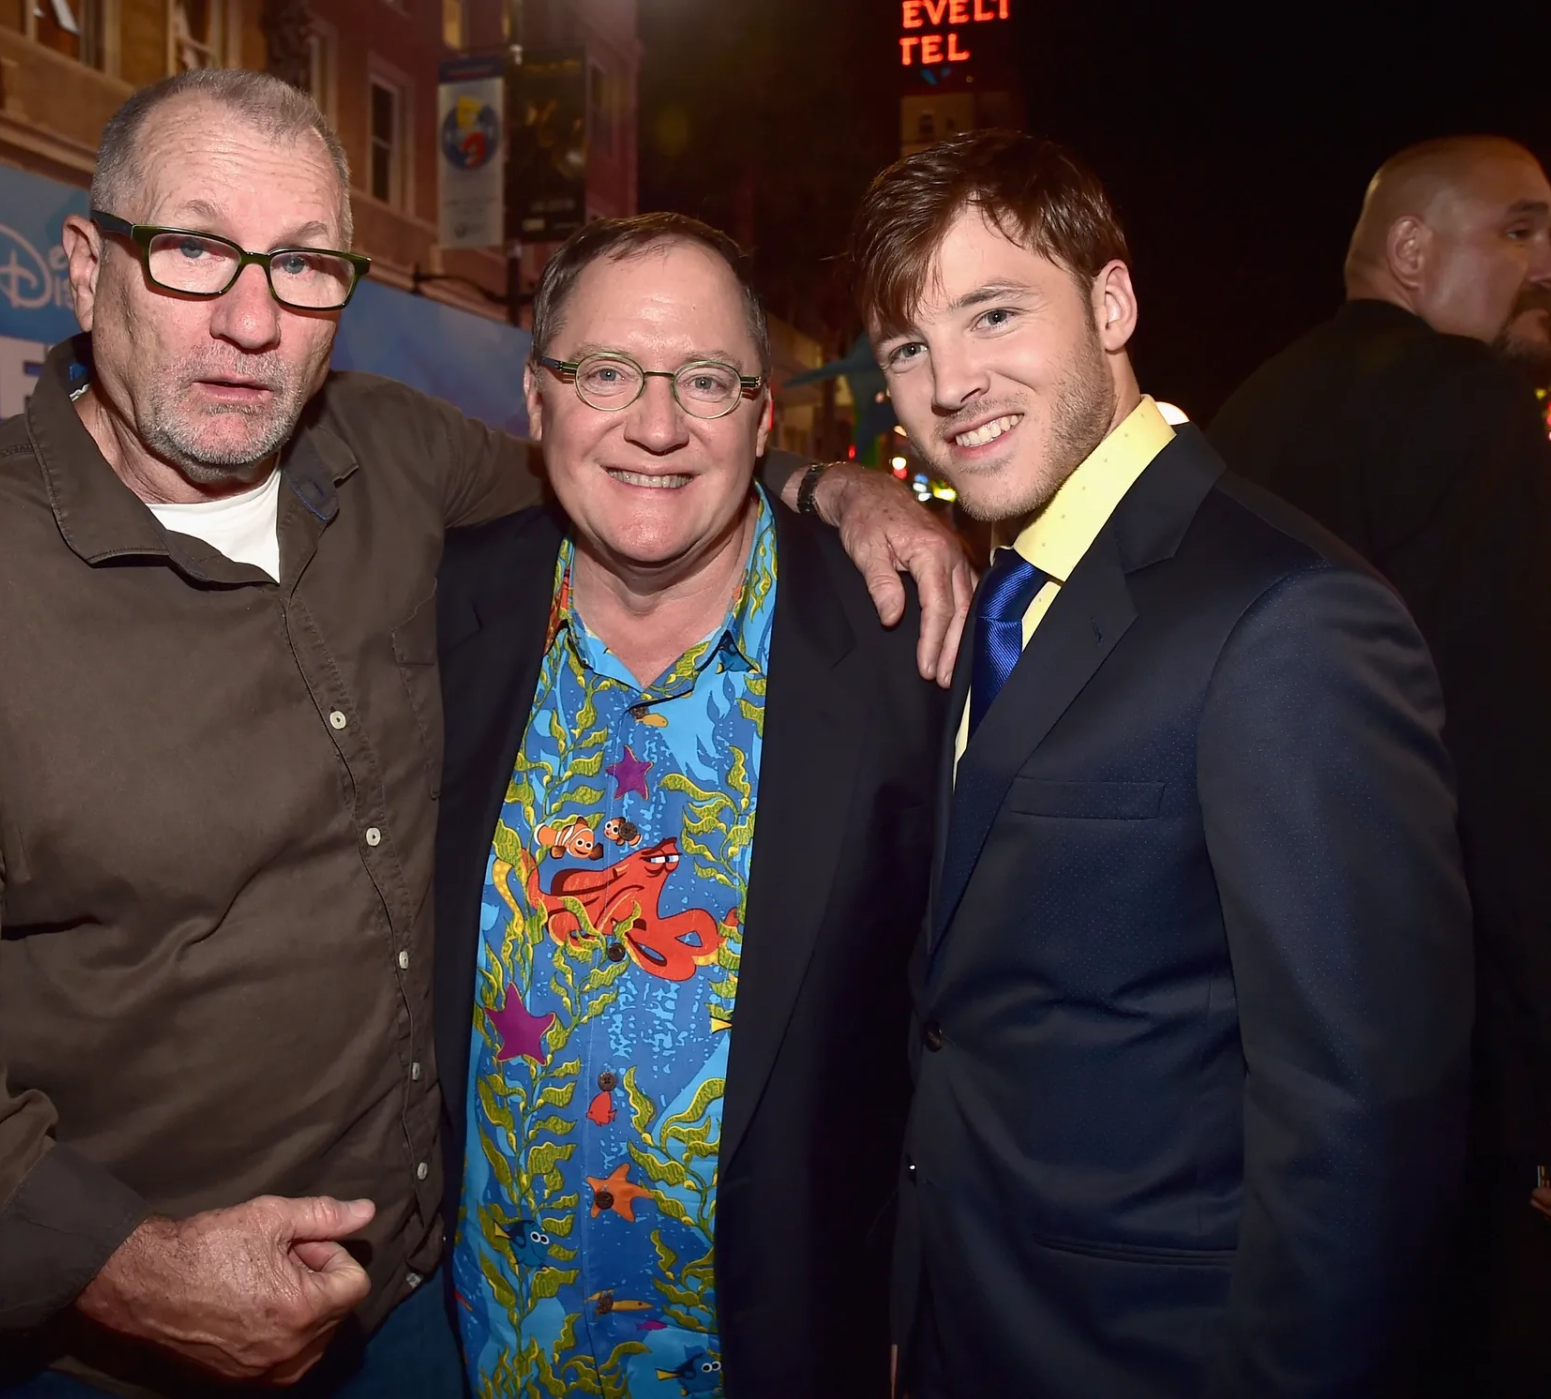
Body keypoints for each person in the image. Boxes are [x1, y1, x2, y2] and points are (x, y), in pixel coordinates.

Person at [0, 71, 968, 1396]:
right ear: (86, 269)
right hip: (106, 1356)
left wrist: (828, 487)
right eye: (196, 248)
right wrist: (130, 1267)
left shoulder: (393, 460)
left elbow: (642, 455)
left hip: (424, 1316)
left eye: (306, 265)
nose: (253, 317)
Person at [858, 130, 1473, 1397]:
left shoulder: (1287, 615)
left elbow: (1363, 1130)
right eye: (910, 347)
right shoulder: (1000, 594)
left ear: (1112, 301)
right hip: (972, 1326)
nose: (950, 380)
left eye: (992, 313)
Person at [430, 213, 947, 1398]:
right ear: (538, 399)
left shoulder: (901, 650)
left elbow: (963, 1035)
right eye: (606, 372)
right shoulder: (444, 612)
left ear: (763, 418)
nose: (656, 425)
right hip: (483, 1359)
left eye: (706, 381)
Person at [1209, 136, 1551, 1396]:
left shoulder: (1254, 407)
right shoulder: (1466, 404)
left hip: (1270, 1037)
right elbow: (1508, 755)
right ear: (1411, 251)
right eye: (1518, 232)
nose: (1545, 266)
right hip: (1441, 1035)